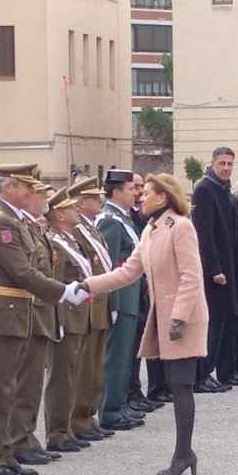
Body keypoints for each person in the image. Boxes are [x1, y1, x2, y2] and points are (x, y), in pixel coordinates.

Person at [85, 173, 208, 475]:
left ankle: (183, 453)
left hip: (183, 317)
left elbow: (191, 276)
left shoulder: (180, 227)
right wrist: (88, 285)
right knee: (177, 383)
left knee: (181, 385)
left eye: (147, 192)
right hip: (166, 316)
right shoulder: (151, 230)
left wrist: (179, 317)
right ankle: (184, 453)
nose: (141, 196)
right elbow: (128, 272)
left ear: (163, 197)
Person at [0, 165, 75, 475]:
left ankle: (5, 452)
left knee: (8, 387)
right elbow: (21, 271)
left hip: (15, 310)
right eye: (27, 188)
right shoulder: (1, 221)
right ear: (11, 188)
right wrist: (63, 292)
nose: (32, 194)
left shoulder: (11, 218)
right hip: (2, 311)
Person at [42, 185, 96, 454]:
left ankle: (68, 428)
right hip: (66, 317)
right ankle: (57, 432)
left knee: (74, 374)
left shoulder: (71, 240)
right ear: (59, 215)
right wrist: (59, 322)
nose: (77, 210)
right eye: (71, 208)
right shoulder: (54, 242)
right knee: (61, 376)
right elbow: (54, 285)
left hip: (80, 315)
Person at [68, 177, 123, 439]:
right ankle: (78, 419)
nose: (100, 200)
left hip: (100, 302)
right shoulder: (77, 230)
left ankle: (89, 417)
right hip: (87, 305)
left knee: (96, 366)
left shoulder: (92, 228)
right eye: (93, 197)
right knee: (84, 365)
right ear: (80, 202)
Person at [96, 170, 147, 430]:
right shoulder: (110, 221)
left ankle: (119, 405)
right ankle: (110, 411)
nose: (136, 193)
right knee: (115, 356)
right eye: (130, 189)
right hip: (121, 298)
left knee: (125, 355)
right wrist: (113, 304)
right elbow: (109, 267)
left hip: (131, 295)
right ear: (116, 191)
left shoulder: (122, 218)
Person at [189, 148, 238, 394]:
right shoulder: (205, 188)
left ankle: (212, 371)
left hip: (227, 263)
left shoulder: (223, 188)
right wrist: (214, 268)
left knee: (222, 322)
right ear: (213, 164)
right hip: (214, 269)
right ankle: (202, 374)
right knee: (211, 323)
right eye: (222, 163)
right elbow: (204, 233)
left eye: (230, 163)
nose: (226, 168)